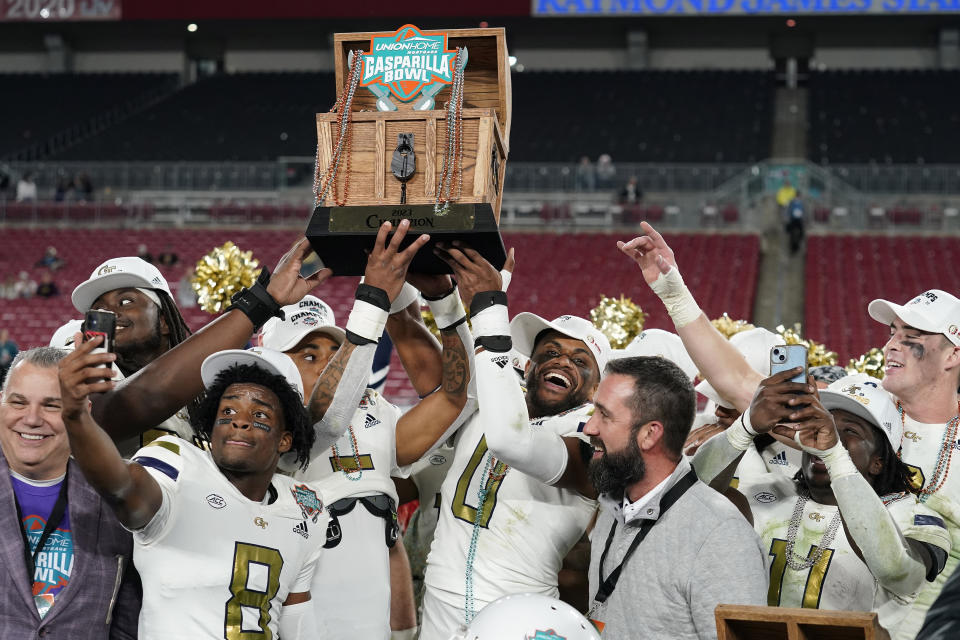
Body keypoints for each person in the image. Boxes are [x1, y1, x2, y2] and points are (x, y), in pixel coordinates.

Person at [264, 222, 471, 639]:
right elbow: (324, 418)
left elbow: (454, 396)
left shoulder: (373, 411)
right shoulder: (269, 430)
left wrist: (444, 302)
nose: (326, 364)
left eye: (334, 351)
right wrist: (374, 296)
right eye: (307, 354)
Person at [58, 339, 326, 639]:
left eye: (259, 415)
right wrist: (76, 417)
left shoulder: (305, 506)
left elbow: (297, 618)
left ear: (285, 440)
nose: (239, 422)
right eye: (227, 412)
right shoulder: (178, 463)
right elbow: (122, 485)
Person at [418, 243, 606, 639]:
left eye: (579, 360)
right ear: (529, 365)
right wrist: (443, 298)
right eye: (550, 351)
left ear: (596, 390)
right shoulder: (493, 402)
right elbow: (457, 375)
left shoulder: (591, 439)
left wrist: (489, 307)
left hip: (521, 615)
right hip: (439, 602)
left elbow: (512, 441)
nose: (561, 361)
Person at [692, 372, 950, 634]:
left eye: (849, 431)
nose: (828, 435)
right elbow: (691, 501)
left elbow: (898, 572)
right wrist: (746, 426)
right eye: (823, 425)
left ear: (878, 461)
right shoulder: (767, 491)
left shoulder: (912, 516)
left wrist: (834, 454)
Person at [583, 356, 768, 639]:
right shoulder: (613, 503)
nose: (589, 428)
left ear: (649, 434)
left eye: (604, 415)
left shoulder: (720, 536)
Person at [0, 347, 140, 639]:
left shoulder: (115, 502)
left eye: (51, 406)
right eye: (18, 402)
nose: (32, 418)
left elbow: (125, 623)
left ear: (82, 414)